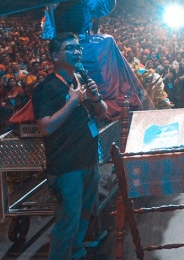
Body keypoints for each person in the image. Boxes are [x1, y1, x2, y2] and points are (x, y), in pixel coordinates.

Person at [33, 32, 108, 260]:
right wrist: (73, 102)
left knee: (85, 213)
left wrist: (95, 98)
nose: (77, 51)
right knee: (68, 218)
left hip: (87, 159)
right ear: (55, 55)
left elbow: (103, 113)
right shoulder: (46, 88)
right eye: (70, 48)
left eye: (78, 48)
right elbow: (45, 127)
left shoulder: (82, 79)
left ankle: (76, 251)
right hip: (66, 165)